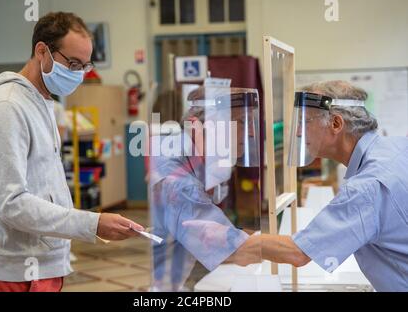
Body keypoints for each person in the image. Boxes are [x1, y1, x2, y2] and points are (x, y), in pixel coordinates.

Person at [0, 12, 144, 292]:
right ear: (42, 51)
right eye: (72, 63)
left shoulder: (41, 101)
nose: (78, 74)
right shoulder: (6, 107)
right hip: (13, 273)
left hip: (40, 264)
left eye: (84, 66)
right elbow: (12, 203)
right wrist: (92, 223)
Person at [256, 80, 408, 292]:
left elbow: (298, 253)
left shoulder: (366, 187)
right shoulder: (399, 146)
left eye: (305, 122)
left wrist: (229, 239)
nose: (299, 132)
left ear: (336, 124)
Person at [149, 87, 262, 291]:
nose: (251, 132)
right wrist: (290, 248)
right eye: (240, 122)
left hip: (193, 270)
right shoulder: (174, 175)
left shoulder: (208, 157)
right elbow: (226, 243)